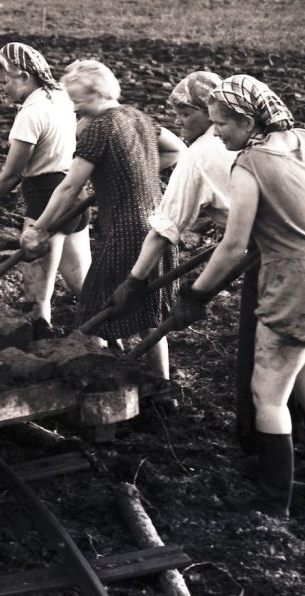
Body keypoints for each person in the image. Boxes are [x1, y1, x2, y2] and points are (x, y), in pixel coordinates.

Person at [109, 70, 305, 456]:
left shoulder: (221, 158)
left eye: (191, 115)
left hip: (280, 268)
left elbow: (191, 234)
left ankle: (267, 468)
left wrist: (156, 286)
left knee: (267, 381)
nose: (189, 125)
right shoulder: (296, 138)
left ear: (237, 118)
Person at [172, 74, 305, 517]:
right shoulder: (304, 140)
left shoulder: (249, 164)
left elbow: (234, 244)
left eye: (221, 123)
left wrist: (197, 293)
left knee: (269, 397)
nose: (215, 131)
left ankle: (273, 504)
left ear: (246, 120)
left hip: (298, 284)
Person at [21, 60, 185, 379]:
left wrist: (39, 228)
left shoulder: (101, 127)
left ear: (98, 92)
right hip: (159, 225)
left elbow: (69, 186)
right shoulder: (138, 117)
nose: (74, 108)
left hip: (126, 231)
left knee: (94, 309)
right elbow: (177, 150)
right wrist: (129, 172)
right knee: (148, 309)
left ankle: (96, 375)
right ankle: (162, 384)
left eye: (78, 100)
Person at [0, 42, 91, 328]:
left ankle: (41, 355)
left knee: (35, 296)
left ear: (25, 77)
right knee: (83, 285)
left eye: (2, 82)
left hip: (46, 200)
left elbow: (10, 175)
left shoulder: (30, 115)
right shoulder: (61, 97)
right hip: (76, 191)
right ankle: (107, 343)